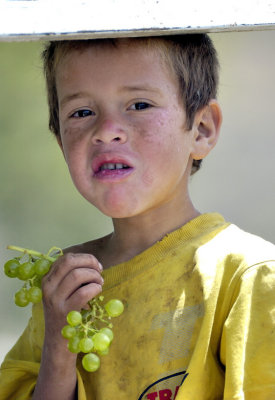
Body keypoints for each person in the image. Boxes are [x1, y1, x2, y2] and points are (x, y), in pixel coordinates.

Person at [0, 34, 275, 400]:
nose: (107, 131)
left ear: (202, 129)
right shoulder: (61, 289)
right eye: (82, 112)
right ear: (60, 140)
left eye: (139, 104)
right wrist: (59, 348)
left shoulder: (247, 276)